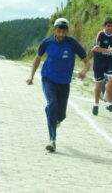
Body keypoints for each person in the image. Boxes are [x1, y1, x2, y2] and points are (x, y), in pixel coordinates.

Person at [26, 18, 90, 152]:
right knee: (53, 103)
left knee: (61, 115)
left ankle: (51, 113)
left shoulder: (72, 43)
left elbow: (86, 62)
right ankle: (52, 140)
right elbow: (37, 58)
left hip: (64, 82)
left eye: (64, 31)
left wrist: (84, 71)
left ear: (67, 31)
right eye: (59, 31)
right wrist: (31, 76)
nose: (61, 34)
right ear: (55, 30)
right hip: (48, 79)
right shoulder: (47, 42)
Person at [91, 18, 112, 115]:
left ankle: (109, 103)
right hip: (99, 62)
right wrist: (108, 50)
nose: (110, 28)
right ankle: (96, 104)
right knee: (98, 83)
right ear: (104, 26)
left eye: (111, 26)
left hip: (110, 61)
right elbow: (95, 48)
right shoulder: (100, 35)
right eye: (108, 26)